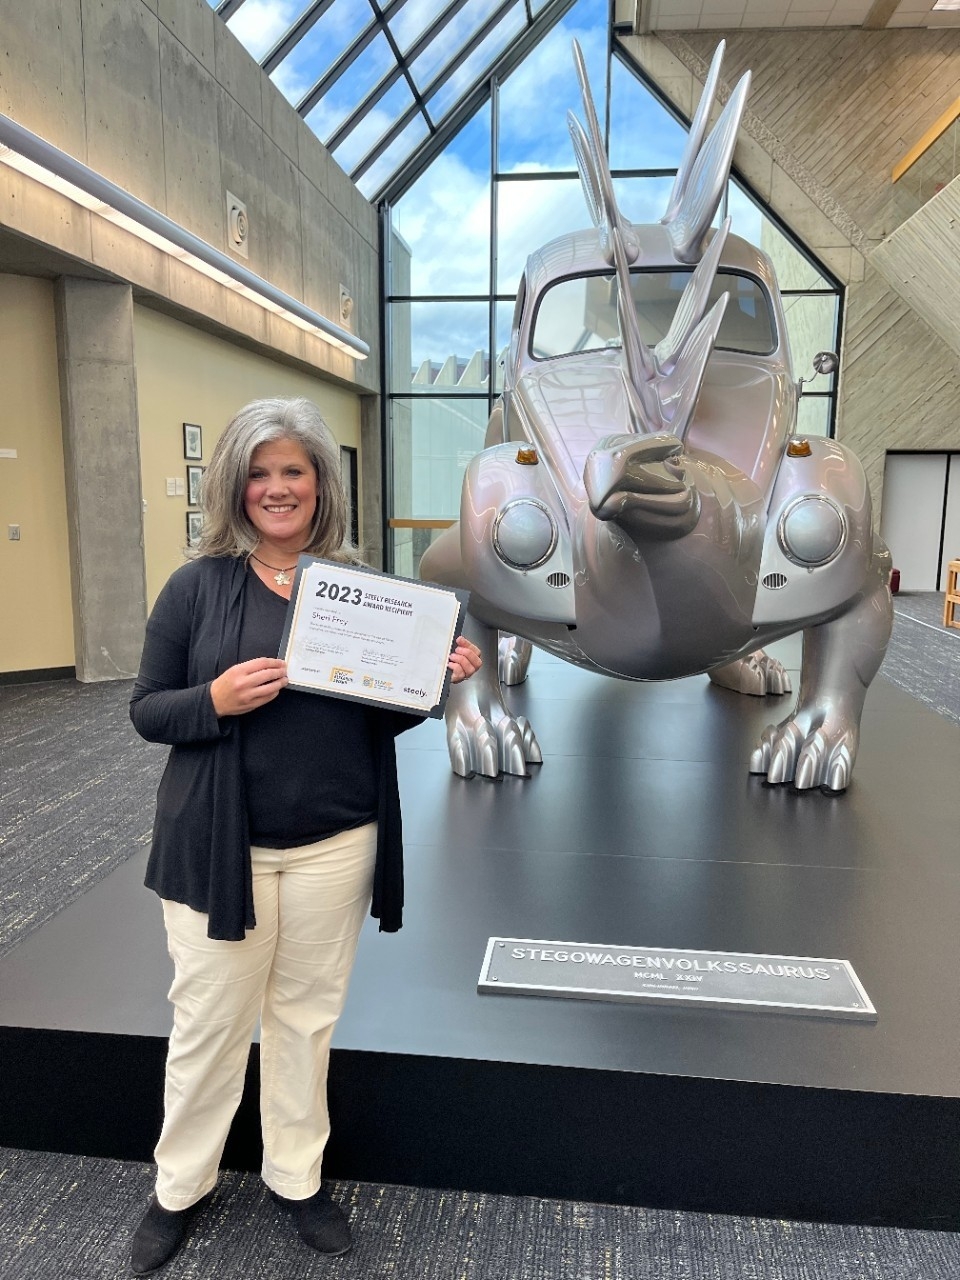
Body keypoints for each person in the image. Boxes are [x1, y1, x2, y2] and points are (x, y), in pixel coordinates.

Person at [128, 397, 481, 1274]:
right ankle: (179, 1188)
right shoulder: (196, 586)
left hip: (335, 843)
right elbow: (145, 710)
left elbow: (375, 718)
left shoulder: (358, 588)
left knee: (306, 1019)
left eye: (294, 470)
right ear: (234, 486)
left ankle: (297, 1177)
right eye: (259, 472)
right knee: (208, 1024)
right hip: (219, 851)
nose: (277, 488)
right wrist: (212, 701)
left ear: (322, 483)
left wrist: (432, 684)